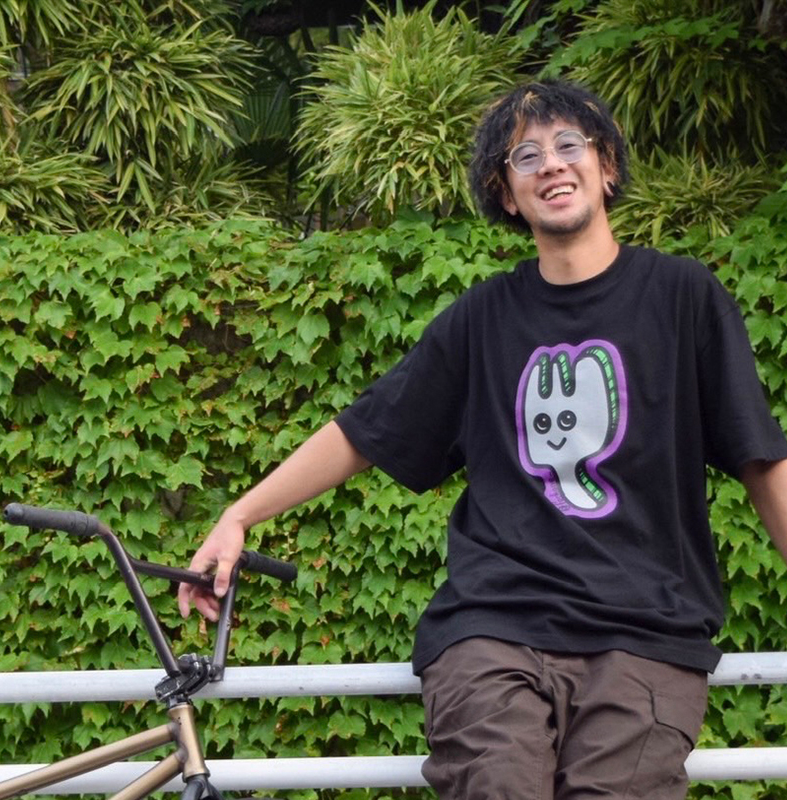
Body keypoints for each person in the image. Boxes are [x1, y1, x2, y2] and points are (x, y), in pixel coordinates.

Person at [178, 79, 787, 800]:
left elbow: (760, 456)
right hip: (494, 630)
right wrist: (239, 515)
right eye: (525, 156)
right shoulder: (482, 318)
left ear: (606, 166)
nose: (550, 164)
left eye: (569, 145)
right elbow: (365, 431)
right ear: (507, 194)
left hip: (646, 634)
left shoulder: (684, 296)